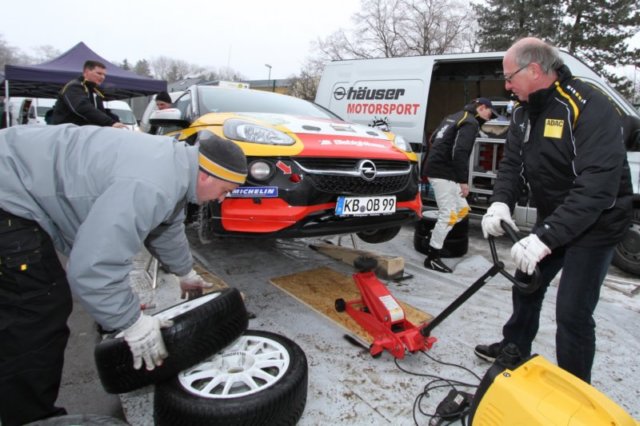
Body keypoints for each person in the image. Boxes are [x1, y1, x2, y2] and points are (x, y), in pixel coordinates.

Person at [0, 125, 247, 426]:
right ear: (207, 175)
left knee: (22, 304)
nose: (222, 200)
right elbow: (94, 267)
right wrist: (131, 322)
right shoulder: (151, 184)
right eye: (225, 191)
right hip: (8, 194)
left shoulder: (176, 168)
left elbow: (167, 227)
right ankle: (30, 418)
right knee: (37, 309)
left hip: (14, 181)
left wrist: (185, 272)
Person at [475, 37, 632, 384]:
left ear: (534, 70)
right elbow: (512, 165)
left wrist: (544, 238)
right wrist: (500, 202)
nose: (506, 85)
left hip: (597, 223)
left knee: (572, 311)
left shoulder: (587, 106)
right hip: (557, 217)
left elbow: (597, 187)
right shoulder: (522, 112)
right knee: (526, 281)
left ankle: (575, 391)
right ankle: (514, 348)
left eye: (509, 77)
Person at [422, 98, 494, 273]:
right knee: (448, 215)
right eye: (490, 113)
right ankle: (432, 258)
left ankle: (432, 237)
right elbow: (461, 151)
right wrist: (463, 181)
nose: (489, 118)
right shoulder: (470, 122)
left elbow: (433, 138)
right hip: (443, 172)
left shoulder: (453, 116)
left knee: (461, 210)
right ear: (482, 107)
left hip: (442, 169)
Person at [50, 60, 127, 128]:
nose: (102, 77)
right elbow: (83, 108)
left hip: (86, 133)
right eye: (99, 73)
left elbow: (100, 111)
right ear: (86, 72)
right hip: (68, 133)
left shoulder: (96, 91)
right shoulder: (74, 86)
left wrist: (115, 121)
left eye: (104, 75)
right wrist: (110, 123)